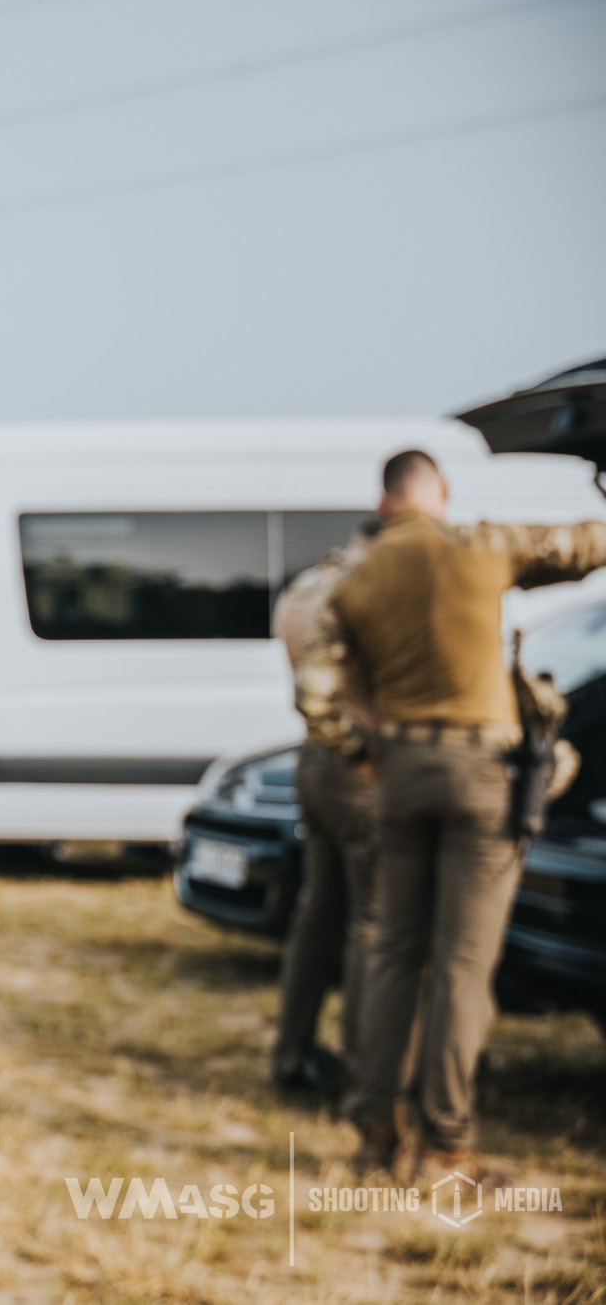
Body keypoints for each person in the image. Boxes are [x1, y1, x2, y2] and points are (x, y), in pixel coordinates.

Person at [297, 449, 606, 1182]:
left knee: (392, 952)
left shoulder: (351, 582)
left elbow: (316, 697)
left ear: (383, 503)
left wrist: (369, 756)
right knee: (464, 965)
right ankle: (444, 1147)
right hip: (482, 772)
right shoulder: (481, 544)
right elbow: (585, 545)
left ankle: (374, 1135)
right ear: (441, 494)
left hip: (398, 773)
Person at [268, 521, 378, 1101]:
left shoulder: (304, 586)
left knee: (317, 913)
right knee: (371, 922)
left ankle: (291, 1051)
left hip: (311, 758)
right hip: (357, 759)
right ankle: (365, 1071)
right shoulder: (361, 590)